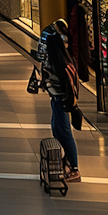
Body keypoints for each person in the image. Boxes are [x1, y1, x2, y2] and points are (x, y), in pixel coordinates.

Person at [39, 20, 81, 183]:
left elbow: (69, 87)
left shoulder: (62, 65)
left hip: (61, 102)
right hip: (56, 100)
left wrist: (69, 104)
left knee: (64, 132)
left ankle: (74, 168)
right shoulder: (59, 62)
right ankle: (66, 163)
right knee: (57, 131)